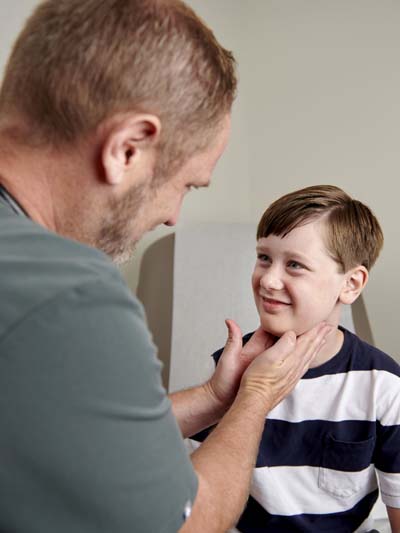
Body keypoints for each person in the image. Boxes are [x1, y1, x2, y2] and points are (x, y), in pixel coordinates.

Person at [0, 1, 332, 532]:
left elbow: (78, 434)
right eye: (186, 185)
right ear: (127, 149)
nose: (174, 216)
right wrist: (255, 398)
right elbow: (187, 523)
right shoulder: (69, 295)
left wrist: (212, 399)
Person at [190, 185, 400, 532]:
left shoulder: (384, 385)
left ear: (351, 284)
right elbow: (195, 505)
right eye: (263, 258)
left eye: (295, 265)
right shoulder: (226, 370)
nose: (269, 280)